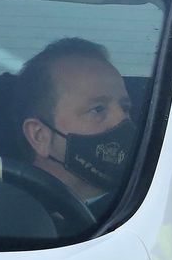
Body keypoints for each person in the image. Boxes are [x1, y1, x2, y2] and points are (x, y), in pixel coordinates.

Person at [14, 37, 136, 214]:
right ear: (39, 136)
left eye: (125, 108)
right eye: (98, 109)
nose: (121, 120)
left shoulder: (147, 204)